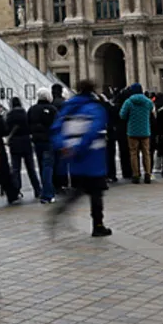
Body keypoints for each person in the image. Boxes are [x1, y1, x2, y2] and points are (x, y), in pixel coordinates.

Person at [50, 80, 112, 237]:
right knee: (96, 193)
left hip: (73, 158)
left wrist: (63, 146)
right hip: (92, 157)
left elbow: (56, 128)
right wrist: (80, 148)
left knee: (79, 190)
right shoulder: (95, 108)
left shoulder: (68, 107)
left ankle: (61, 209)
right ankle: (98, 225)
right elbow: (94, 131)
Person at [27, 89, 59, 204]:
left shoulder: (32, 109)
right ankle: (47, 194)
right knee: (48, 167)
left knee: (42, 166)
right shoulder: (52, 109)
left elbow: (28, 124)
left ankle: (45, 191)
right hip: (48, 141)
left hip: (37, 141)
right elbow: (58, 125)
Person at [5, 96, 40, 200]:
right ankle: (37, 189)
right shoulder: (25, 113)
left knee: (16, 169)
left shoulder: (9, 115)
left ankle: (16, 191)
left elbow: (6, 129)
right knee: (31, 168)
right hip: (26, 142)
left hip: (15, 143)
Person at [119, 84, 154, 184]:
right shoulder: (148, 101)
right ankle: (147, 174)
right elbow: (152, 110)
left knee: (133, 153)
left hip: (132, 131)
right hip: (145, 130)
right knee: (146, 153)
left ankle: (136, 175)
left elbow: (122, 115)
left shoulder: (129, 102)